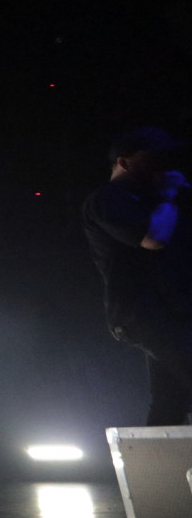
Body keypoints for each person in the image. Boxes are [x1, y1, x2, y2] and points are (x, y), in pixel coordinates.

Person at [83, 127, 191, 425]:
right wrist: (169, 193)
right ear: (124, 162)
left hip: (173, 312)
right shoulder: (106, 199)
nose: (162, 165)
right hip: (143, 313)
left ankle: (160, 454)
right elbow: (153, 238)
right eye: (152, 158)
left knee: (170, 400)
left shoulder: (157, 201)